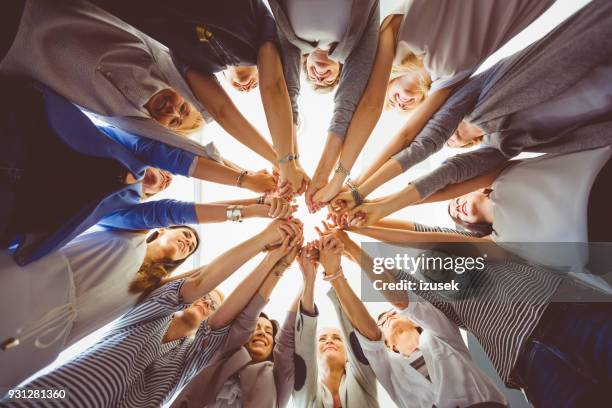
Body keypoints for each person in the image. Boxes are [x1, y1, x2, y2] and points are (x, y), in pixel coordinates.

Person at [333, 0, 612, 226]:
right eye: (451, 143)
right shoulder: (503, 146)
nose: (447, 138)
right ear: (467, 146)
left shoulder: (477, 95)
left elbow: (419, 142)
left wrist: (359, 189)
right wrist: (382, 206)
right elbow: (449, 174)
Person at [1, 220, 303, 407]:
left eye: (213, 304)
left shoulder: (194, 354)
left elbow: (234, 309)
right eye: (205, 298)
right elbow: (199, 282)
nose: (206, 303)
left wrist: (274, 262)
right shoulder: (151, 312)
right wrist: (265, 243)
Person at [0, 79, 288, 265]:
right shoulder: (129, 144)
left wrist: (255, 211)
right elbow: (175, 157)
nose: (165, 179)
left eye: (164, 187)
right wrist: (246, 181)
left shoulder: (120, 211)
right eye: (166, 175)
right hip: (24, 135)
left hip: (14, 207)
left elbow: (174, 213)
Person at [327, 223, 612, 408]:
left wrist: (360, 229)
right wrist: (348, 252)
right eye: (382, 320)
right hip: (529, 364)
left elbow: (420, 238)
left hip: (565, 312)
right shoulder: (445, 310)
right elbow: (394, 289)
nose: (386, 318)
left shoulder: (478, 254)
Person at [309, 0, 553, 207]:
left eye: (393, 101)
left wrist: (340, 179)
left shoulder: (389, 35)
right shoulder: (448, 83)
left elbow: (371, 106)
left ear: (388, 81)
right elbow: (412, 141)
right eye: (406, 108)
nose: (401, 104)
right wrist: (356, 189)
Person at [89, 0, 309, 195]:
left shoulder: (192, 62)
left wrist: (283, 162)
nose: (175, 110)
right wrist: (287, 161)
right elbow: (276, 89)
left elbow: (222, 111)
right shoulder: (267, 28)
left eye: (181, 113)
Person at [319, 230, 508, 408]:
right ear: (388, 345)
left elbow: (401, 300)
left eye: (391, 313)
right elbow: (369, 337)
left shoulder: (439, 333)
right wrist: (335, 274)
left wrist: (352, 247)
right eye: (382, 321)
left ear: (413, 322)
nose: (388, 317)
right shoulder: (390, 367)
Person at [265, 0, 380, 211]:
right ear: (341, 70)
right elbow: (345, 107)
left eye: (313, 77)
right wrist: (320, 175)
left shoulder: (292, 39)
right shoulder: (354, 45)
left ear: (305, 62)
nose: (319, 76)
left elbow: (286, 94)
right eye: (327, 81)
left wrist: (291, 163)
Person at [170, 242, 307, 408]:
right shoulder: (222, 355)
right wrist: (280, 266)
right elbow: (248, 316)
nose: (262, 333)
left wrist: (307, 279)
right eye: (256, 328)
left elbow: (286, 342)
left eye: (268, 331)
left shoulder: (278, 379)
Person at [292, 241, 379, 408]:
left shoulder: (364, 379)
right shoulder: (304, 392)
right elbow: (304, 347)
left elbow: (354, 334)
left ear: (348, 354)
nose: (329, 341)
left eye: (337, 338)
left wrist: (334, 273)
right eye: (322, 339)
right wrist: (309, 279)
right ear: (315, 352)